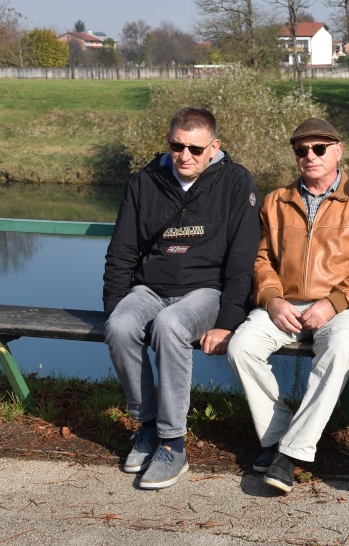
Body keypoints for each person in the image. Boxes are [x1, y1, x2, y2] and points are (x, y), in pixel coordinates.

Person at [227, 117, 349, 494]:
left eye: (319, 148)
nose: (310, 156)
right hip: (283, 305)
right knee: (241, 347)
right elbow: (261, 260)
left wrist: (333, 303)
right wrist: (272, 300)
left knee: (339, 347)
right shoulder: (275, 201)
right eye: (302, 150)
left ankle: (289, 454)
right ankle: (280, 435)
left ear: (338, 151)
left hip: (343, 308)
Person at [103, 106, 261, 489]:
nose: (185, 156)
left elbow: (242, 261)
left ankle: (172, 443)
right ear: (168, 142)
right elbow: (121, 252)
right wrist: (115, 307)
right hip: (150, 288)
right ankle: (146, 426)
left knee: (170, 325)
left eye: (195, 148)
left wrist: (228, 321)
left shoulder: (236, 182)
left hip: (205, 292)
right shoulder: (145, 181)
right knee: (120, 326)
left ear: (214, 147)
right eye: (177, 146)